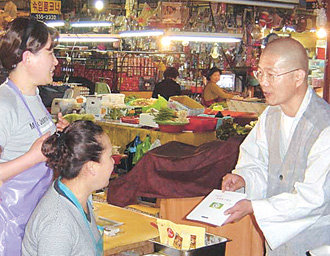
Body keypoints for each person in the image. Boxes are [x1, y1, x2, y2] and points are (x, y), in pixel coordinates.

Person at [221, 37, 330, 255]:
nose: (264, 82)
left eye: (272, 74)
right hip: (278, 244)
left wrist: (255, 207)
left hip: (316, 243)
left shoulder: (324, 125)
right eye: (260, 73)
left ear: (298, 77)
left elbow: (314, 197)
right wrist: (244, 179)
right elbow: (256, 161)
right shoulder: (271, 115)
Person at [0, 17, 69, 255]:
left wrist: (59, 135)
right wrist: (33, 157)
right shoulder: (4, 104)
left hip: (34, 217)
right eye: (50, 52)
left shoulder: (34, 95)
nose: (56, 61)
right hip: (9, 227)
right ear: (28, 58)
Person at [22, 120, 114, 256]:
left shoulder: (78, 194)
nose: (113, 163)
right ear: (91, 167)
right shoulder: (58, 224)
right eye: (110, 156)